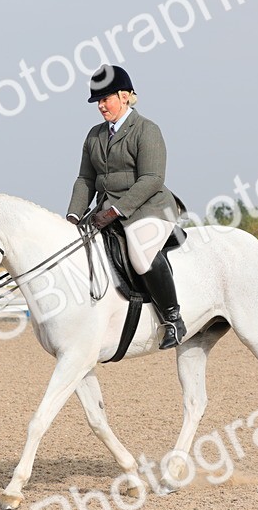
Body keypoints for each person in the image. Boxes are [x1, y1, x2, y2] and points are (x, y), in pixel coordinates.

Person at [67, 65, 187, 349]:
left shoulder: (146, 129)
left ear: (124, 96)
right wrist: (72, 216)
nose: (100, 106)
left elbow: (152, 178)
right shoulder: (94, 135)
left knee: (141, 254)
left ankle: (173, 318)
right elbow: (85, 179)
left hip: (149, 208)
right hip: (105, 211)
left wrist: (115, 211)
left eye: (105, 99)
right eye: (97, 101)